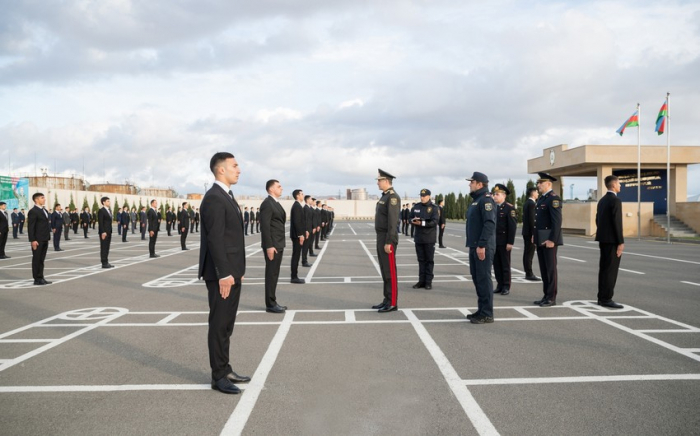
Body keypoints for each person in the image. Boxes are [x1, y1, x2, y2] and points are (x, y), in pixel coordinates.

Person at [199, 151, 250, 395]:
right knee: (219, 324)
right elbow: (215, 239)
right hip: (222, 275)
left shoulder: (225, 195)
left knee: (227, 324)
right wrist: (224, 274)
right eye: (234, 165)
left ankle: (225, 367)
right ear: (221, 169)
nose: (239, 170)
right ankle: (218, 376)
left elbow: (232, 238)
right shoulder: (214, 198)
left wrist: (237, 270)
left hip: (232, 272)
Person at [465, 172, 496, 324]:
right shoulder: (477, 200)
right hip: (474, 245)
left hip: (482, 247)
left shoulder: (486, 200)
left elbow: (489, 223)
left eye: (472, 182)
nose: (469, 184)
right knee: (477, 278)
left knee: (483, 278)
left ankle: (487, 313)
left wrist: (482, 244)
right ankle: (481, 309)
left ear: (479, 184)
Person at [371, 169, 401, 313]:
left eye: (379, 180)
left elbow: (392, 221)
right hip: (381, 236)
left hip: (387, 238)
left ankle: (392, 302)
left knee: (390, 272)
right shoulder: (384, 197)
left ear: (386, 181)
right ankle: (386, 299)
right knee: (384, 270)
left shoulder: (393, 197)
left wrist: (389, 241)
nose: (377, 182)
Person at [533, 172, 563, 307]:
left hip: (549, 240)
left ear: (549, 184)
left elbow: (556, 222)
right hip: (540, 238)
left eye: (541, 183)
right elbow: (538, 221)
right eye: (538, 183)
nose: (538, 185)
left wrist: (552, 240)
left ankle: (551, 297)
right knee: (544, 269)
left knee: (550, 269)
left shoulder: (553, 199)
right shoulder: (542, 199)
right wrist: (535, 235)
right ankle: (546, 295)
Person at [595, 175, 625, 309]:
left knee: (604, 269)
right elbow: (617, 223)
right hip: (612, 241)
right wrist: (620, 242)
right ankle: (607, 298)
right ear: (613, 185)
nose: (620, 185)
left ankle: (601, 297)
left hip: (603, 239)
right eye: (619, 183)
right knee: (611, 270)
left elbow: (598, 220)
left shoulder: (602, 200)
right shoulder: (615, 200)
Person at [260, 179, 288, 312]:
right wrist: (269, 246)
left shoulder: (275, 203)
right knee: (271, 274)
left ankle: (272, 301)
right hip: (273, 245)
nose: (281, 188)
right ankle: (270, 304)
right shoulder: (267, 204)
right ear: (271, 189)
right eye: (279, 186)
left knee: (274, 274)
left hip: (278, 243)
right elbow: (265, 227)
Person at [409, 189, 439, 290]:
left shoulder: (434, 208)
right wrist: (413, 221)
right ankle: (421, 281)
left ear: (429, 196)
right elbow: (410, 218)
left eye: (424, 196)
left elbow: (434, 222)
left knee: (429, 260)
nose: (422, 198)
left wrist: (422, 223)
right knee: (421, 260)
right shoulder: (416, 207)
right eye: (421, 196)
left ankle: (428, 282)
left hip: (429, 238)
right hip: (419, 238)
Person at [492, 184, 516, 296]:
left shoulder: (509, 208)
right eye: (494, 194)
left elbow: (512, 226)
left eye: (497, 194)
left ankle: (506, 286)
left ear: (504, 196)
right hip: (494, 241)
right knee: (496, 264)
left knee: (505, 265)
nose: (495, 196)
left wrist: (510, 242)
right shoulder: (492, 207)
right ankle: (499, 284)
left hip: (504, 241)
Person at [28, 193, 52, 284]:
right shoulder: (33, 211)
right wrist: (33, 240)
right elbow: (31, 227)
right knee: (37, 259)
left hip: (45, 238)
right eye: (42, 198)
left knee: (41, 260)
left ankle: (41, 277)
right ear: (36, 200)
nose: (44, 199)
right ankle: (37, 279)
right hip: (37, 239)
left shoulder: (44, 210)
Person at [521, 187, 540, 281]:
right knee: (529, 253)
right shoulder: (532, 204)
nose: (538, 194)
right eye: (537, 192)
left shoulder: (527, 203)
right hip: (530, 233)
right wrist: (534, 233)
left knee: (527, 252)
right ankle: (529, 273)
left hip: (526, 232)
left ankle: (527, 272)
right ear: (533, 193)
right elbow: (533, 220)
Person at [289, 189, 306, 284]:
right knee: (296, 256)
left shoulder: (298, 206)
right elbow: (297, 222)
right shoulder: (296, 206)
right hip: (296, 236)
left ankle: (295, 276)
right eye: (302, 194)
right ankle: (294, 277)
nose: (303, 196)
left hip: (297, 235)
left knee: (296, 255)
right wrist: (300, 235)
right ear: (297, 196)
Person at [98, 197, 114, 268]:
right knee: (104, 247)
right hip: (104, 232)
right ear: (103, 202)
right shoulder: (101, 211)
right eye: (108, 201)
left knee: (107, 247)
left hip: (109, 231)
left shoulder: (109, 210)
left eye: (109, 201)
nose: (109, 202)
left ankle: (106, 261)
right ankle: (104, 262)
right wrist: (103, 232)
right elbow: (100, 222)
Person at [301, 195, 314, 267]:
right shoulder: (305, 208)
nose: (311, 200)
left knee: (307, 245)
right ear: (307, 200)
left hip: (309, 229)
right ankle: (304, 261)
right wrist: (306, 230)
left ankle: (305, 260)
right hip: (307, 230)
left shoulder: (308, 208)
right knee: (305, 247)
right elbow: (305, 220)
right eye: (311, 199)